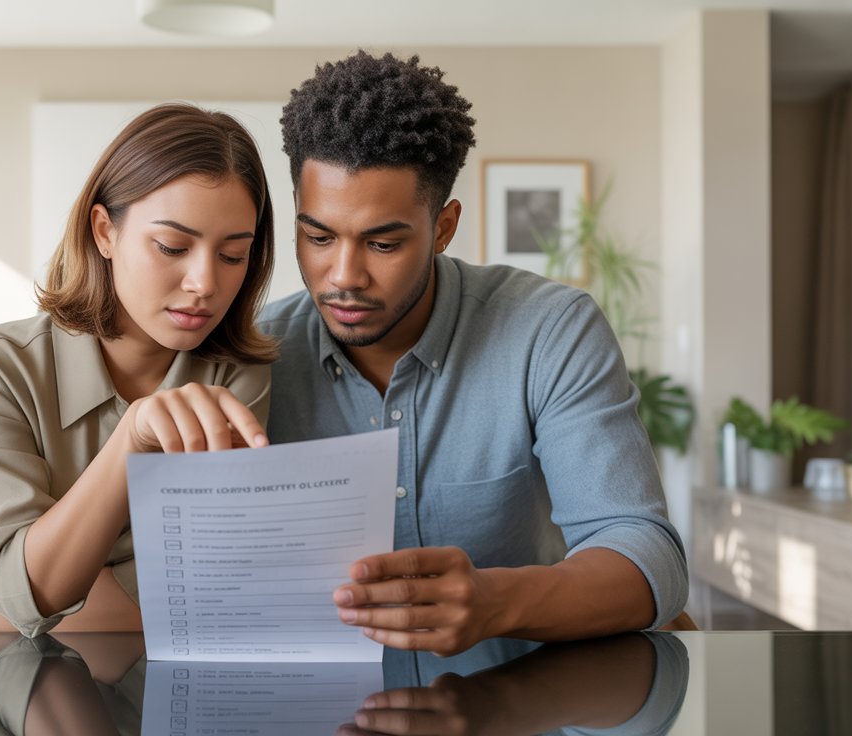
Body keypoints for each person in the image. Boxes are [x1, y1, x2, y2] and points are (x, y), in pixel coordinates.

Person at [259, 51, 688, 656]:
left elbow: (646, 553)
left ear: (443, 227)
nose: (344, 275)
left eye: (383, 244)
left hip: (524, 698)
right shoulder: (254, 353)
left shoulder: (549, 331)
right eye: (318, 237)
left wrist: (497, 602)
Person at [0, 103, 278, 636]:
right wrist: (132, 437)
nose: (204, 283)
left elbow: (207, 600)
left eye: (232, 256)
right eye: (172, 246)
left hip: (156, 680)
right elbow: (29, 591)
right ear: (105, 232)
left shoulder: (236, 376)